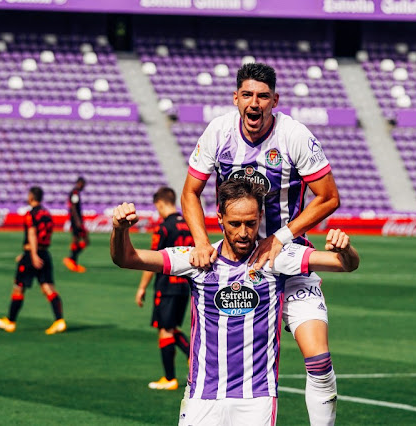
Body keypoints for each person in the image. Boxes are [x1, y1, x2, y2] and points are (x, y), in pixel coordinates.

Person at [111, 179, 358, 426]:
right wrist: (119, 230)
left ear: (261, 216)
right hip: (202, 398)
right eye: (234, 223)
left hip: (256, 400)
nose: (243, 232)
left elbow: (345, 264)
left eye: (251, 223)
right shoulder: (198, 259)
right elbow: (127, 258)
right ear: (219, 217)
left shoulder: (275, 258)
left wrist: (345, 249)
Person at [181, 63, 342, 424]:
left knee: (318, 359)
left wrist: (279, 238)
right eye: (248, 95)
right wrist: (201, 242)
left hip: (288, 257)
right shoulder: (219, 132)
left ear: (275, 100)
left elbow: (329, 197)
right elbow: (190, 192)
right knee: (227, 360)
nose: (255, 103)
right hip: (237, 264)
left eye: (263, 96)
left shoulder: (294, 135)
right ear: (236, 98)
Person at [136, 187, 193, 391]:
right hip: (184, 286)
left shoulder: (164, 228)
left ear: (160, 204)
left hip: (167, 286)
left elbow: (152, 260)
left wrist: (142, 287)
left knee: (165, 331)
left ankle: (169, 377)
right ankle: (191, 357)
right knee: (172, 328)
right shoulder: (188, 225)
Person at [0, 186, 66, 335]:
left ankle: (10, 321)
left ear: (32, 197)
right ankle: (59, 320)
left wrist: (31, 254)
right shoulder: (47, 213)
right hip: (45, 253)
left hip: (33, 254)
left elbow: (32, 234)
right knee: (48, 287)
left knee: (18, 287)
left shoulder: (31, 214)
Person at [63, 177, 89, 273]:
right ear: (79, 183)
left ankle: (72, 259)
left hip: (76, 220)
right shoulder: (75, 193)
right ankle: (72, 260)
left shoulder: (75, 193)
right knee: (80, 240)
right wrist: (78, 221)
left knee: (80, 240)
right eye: (83, 185)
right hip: (76, 221)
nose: (83, 187)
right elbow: (73, 207)